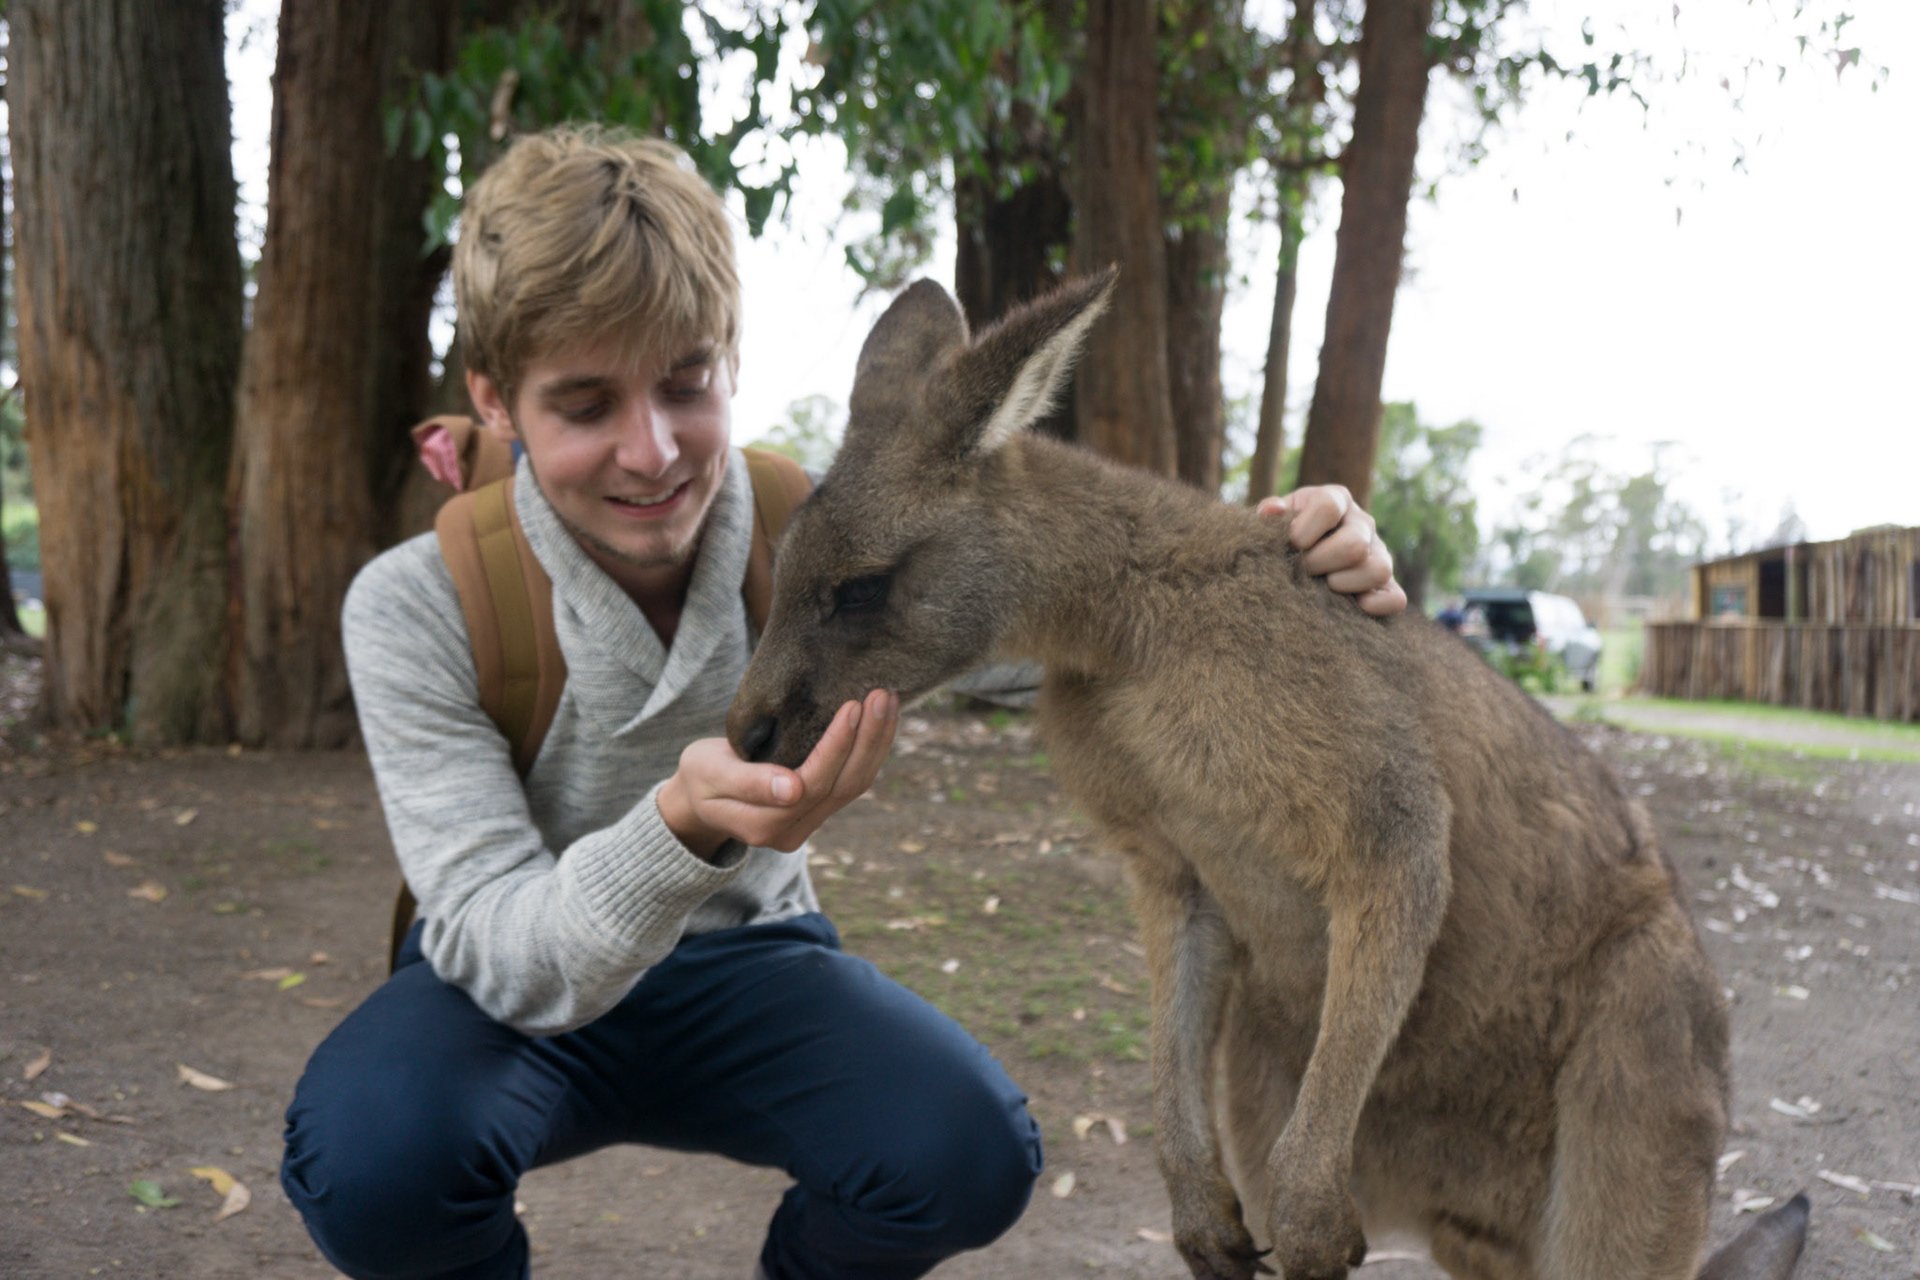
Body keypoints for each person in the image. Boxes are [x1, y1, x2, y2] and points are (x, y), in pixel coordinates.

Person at [280, 125, 1405, 1280]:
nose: (652, 449)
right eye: (584, 404)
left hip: (746, 964)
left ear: (729, 366)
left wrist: (1287, 566)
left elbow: (1091, 619)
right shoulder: (419, 602)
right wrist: (678, 828)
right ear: (496, 401)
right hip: (512, 992)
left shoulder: (830, 536)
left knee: (966, 1149)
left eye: (684, 385)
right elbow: (490, 936)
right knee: (372, 1157)